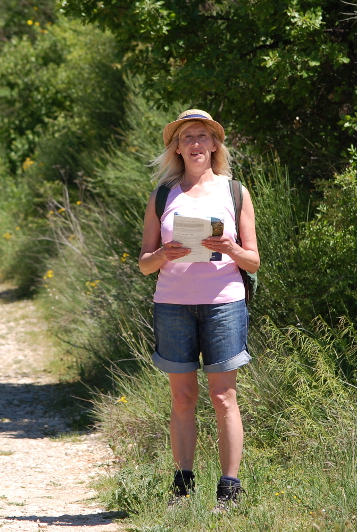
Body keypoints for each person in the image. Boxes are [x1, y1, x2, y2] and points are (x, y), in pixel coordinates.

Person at [138, 109, 260, 510]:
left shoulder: (235, 192)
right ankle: (183, 487)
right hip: (172, 305)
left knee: (224, 397)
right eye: (187, 137)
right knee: (183, 397)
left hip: (223, 305)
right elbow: (144, 264)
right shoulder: (162, 195)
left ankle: (229, 488)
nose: (195, 144)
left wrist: (231, 249)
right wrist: (163, 253)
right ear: (177, 147)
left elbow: (254, 262)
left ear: (214, 145)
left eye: (203, 137)